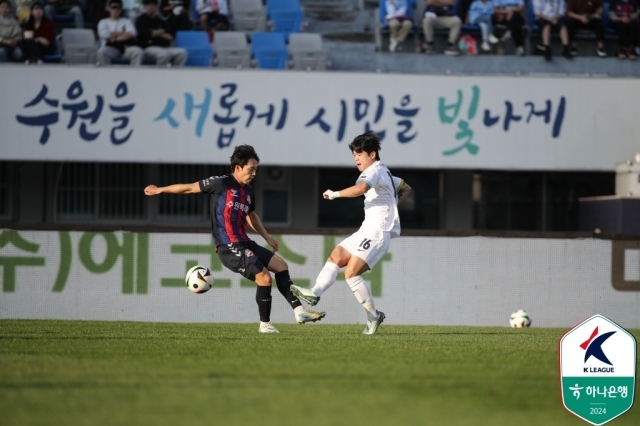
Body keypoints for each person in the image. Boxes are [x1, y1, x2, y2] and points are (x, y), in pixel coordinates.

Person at [143, 145, 326, 334]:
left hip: (244, 242)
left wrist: (268, 238)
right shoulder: (220, 183)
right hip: (228, 245)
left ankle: (299, 311)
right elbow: (189, 188)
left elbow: (251, 216)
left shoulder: (248, 192)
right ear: (238, 168)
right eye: (251, 169)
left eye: (256, 169)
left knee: (281, 266)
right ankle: (265, 325)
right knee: (263, 278)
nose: (254, 173)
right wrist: (160, 190)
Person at [290, 132, 412, 335]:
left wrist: (335, 194)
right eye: (354, 154)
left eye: (360, 154)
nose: (356, 158)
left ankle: (374, 317)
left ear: (372, 154)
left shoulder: (373, 171)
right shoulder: (385, 172)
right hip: (367, 229)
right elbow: (405, 187)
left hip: (378, 232)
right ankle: (315, 293)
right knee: (336, 256)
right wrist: (393, 203)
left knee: (350, 273)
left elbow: (360, 188)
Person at [135, 0, 187, 66]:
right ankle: (159, 75)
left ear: (156, 7)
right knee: (163, 55)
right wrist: (162, 31)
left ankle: (175, 74)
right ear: (145, 7)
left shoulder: (160, 20)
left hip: (163, 47)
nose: (151, 8)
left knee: (182, 53)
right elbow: (146, 33)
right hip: (148, 48)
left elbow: (170, 37)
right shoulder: (141, 19)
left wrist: (154, 32)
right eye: (148, 6)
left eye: (153, 6)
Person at [97, 0, 143, 65]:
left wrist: (115, 38)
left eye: (118, 7)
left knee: (138, 51)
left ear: (121, 9)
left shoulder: (127, 21)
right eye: (113, 7)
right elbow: (105, 35)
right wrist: (123, 33)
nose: (116, 10)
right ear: (109, 8)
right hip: (110, 48)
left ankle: (135, 74)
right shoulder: (103, 22)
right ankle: (105, 74)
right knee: (102, 51)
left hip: (125, 47)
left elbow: (133, 33)